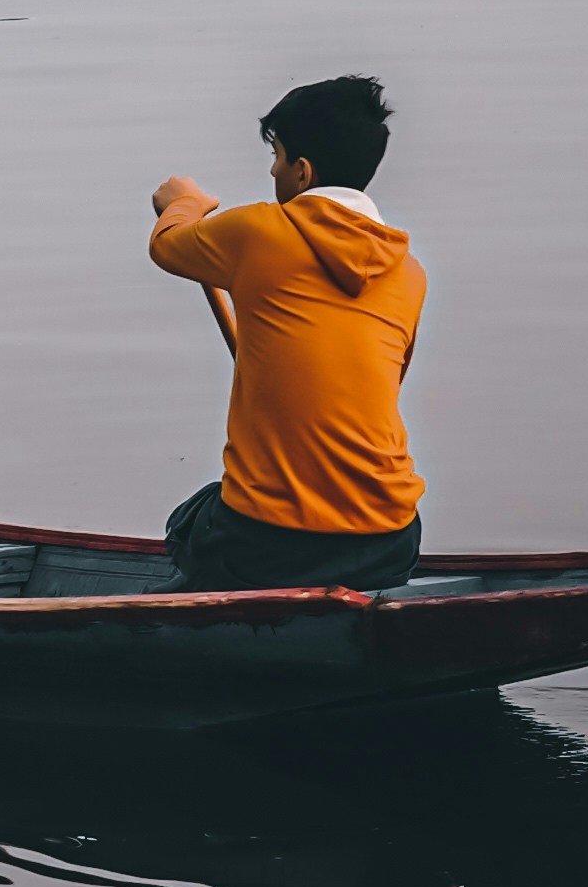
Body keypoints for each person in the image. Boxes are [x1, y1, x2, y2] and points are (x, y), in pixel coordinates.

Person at [146, 72, 426, 590]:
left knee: (188, 523)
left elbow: (167, 245)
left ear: (302, 172)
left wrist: (185, 203)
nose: (273, 170)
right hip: (392, 536)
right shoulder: (408, 273)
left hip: (269, 540)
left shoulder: (258, 231)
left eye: (275, 156)